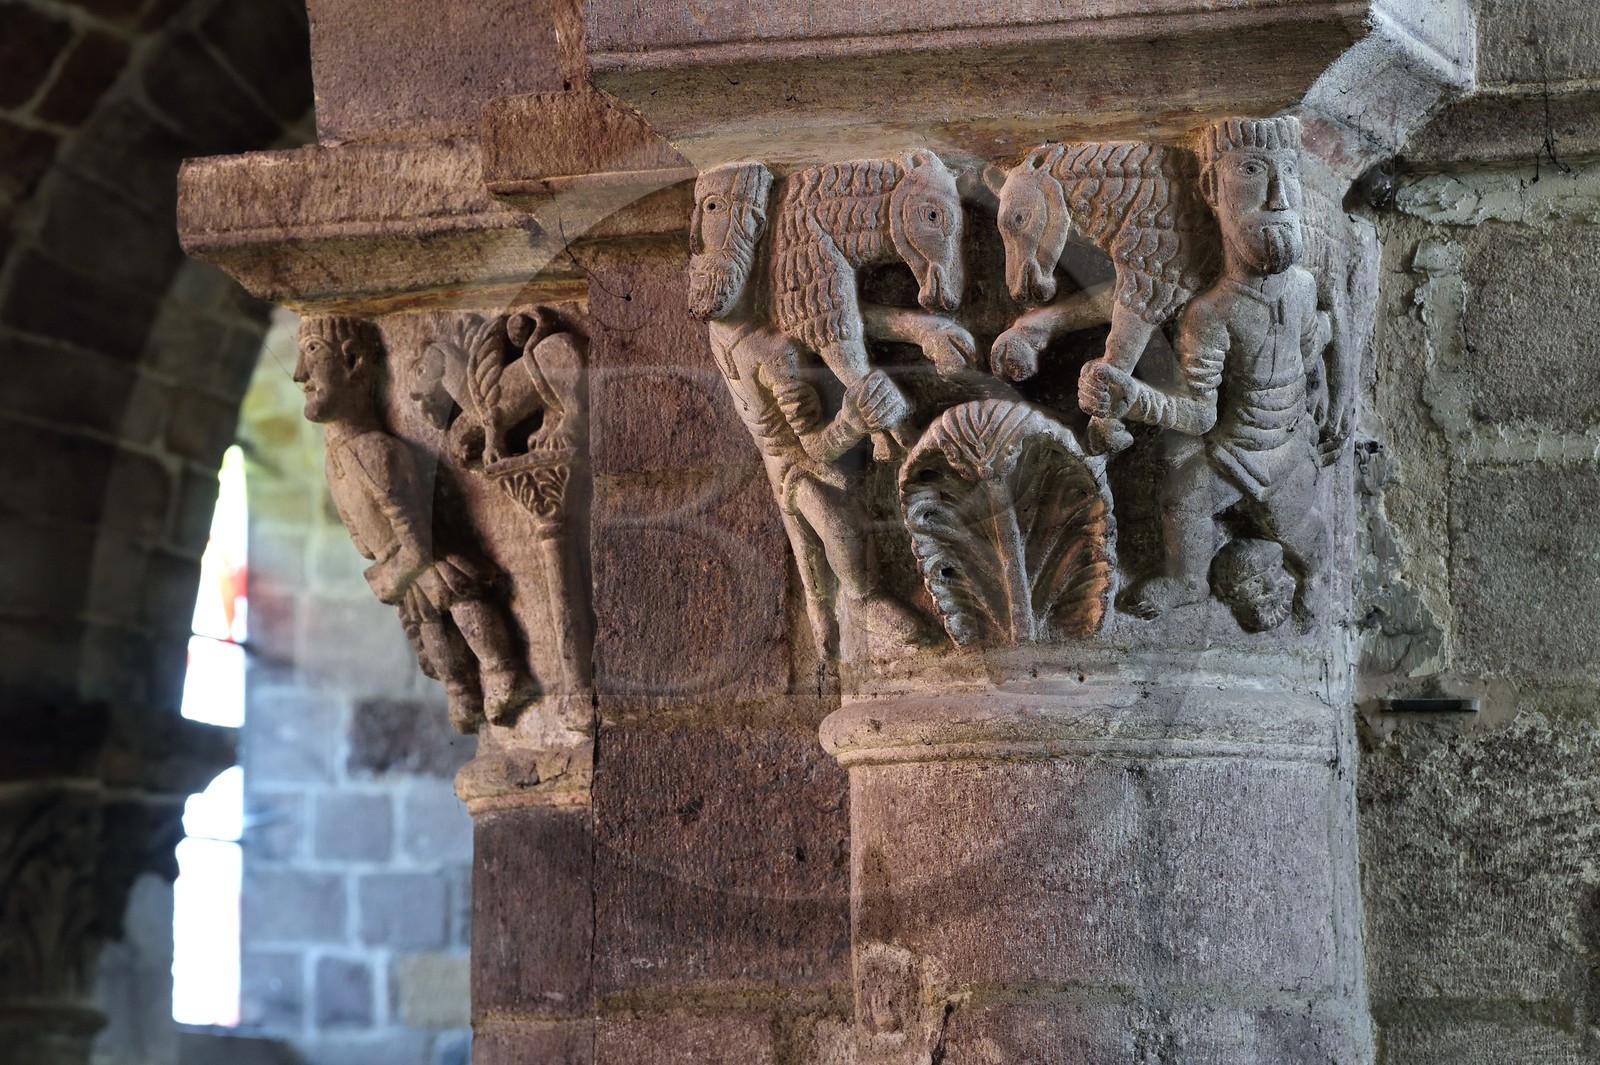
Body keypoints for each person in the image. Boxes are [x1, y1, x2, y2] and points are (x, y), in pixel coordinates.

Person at [1080, 116, 1331, 624]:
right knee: (1182, 501)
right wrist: (1133, 398)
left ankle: (1318, 577)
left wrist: (1325, 383)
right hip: (1236, 450)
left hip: (1292, 450)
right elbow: (1198, 414)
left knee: (1307, 538)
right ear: (1211, 189)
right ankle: (1189, 581)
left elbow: (1310, 348)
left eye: (1289, 173)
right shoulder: (1209, 312)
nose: (1279, 197)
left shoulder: (1305, 287)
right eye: (1253, 172)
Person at [295, 315, 536, 730]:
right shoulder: (338, 455)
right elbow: (364, 532)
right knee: (435, 638)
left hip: (421, 559)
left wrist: (397, 573)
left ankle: (503, 672)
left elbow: (414, 535)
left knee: (461, 604)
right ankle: (463, 691)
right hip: (401, 565)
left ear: (353, 361)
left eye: (313, 352)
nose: (299, 374)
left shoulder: (374, 451)